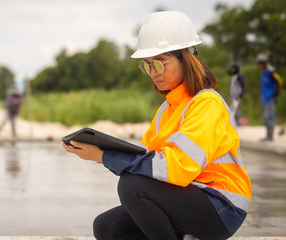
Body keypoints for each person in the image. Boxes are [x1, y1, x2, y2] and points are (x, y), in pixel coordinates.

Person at [62, 11, 251, 240]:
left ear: (186, 59)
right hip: (188, 197)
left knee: (132, 186)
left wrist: (105, 157)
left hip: (222, 205)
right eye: (147, 65)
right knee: (106, 227)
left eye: (159, 64)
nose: (153, 74)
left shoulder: (206, 103)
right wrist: (107, 151)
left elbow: (177, 168)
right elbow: (146, 160)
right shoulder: (167, 109)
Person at [257, 54, 283, 141]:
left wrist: (276, 93)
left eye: (261, 63)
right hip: (264, 99)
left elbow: (279, 81)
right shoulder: (262, 73)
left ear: (265, 63)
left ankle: (270, 136)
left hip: (270, 99)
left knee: (270, 117)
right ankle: (268, 135)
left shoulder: (271, 72)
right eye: (259, 63)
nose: (260, 65)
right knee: (265, 117)